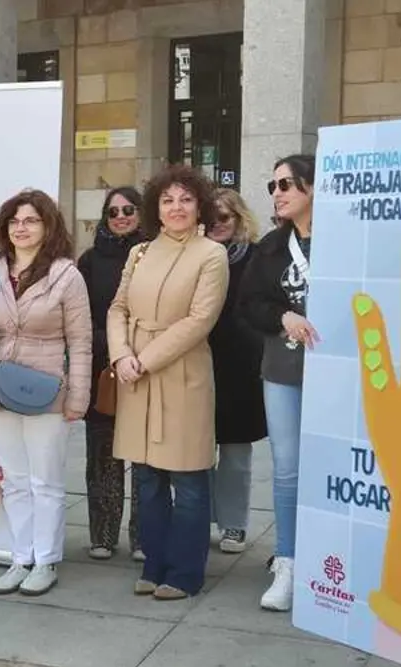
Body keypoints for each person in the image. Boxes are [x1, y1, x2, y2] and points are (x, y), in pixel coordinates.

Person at [0, 189, 93, 597]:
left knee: (47, 481)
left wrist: (78, 397)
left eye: (31, 220)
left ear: (48, 226)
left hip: (47, 390)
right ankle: (21, 557)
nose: (22, 228)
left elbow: (82, 341)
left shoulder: (66, 275)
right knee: (15, 480)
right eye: (15, 221)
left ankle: (46, 559)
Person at [108, 165, 228, 601]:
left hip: (181, 374)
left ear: (199, 206)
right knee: (146, 477)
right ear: (155, 207)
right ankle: (153, 562)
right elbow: (118, 307)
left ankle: (185, 571)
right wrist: (122, 354)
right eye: (167, 200)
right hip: (135, 373)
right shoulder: (139, 253)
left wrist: (145, 360)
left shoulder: (211, 255)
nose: (176, 208)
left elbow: (200, 320)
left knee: (190, 479)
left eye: (186, 200)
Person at [238, 154, 317, 612]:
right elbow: (248, 304)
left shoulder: (348, 238)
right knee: (287, 469)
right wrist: (281, 315)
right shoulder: (270, 247)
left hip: (341, 375)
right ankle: (287, 559)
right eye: (272, 186)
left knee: (332, 466)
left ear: (313, 186)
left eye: (287, 183)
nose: (278, 192)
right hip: (284, 372)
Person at [77, 186, 145, 562]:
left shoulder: (155, 253)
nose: (121, 216)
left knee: (147, 460)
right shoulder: (89, 260)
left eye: (128, 209)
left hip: (149, 364)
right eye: (113, 211)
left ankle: (144, 537)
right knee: (102, 455)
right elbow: (79, 314)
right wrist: (112, 344)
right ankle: (102, 535)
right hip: (104, 367)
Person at [207, 188, 267, 555]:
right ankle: (198, 518)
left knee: (235, 453)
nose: (218, 225)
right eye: (211, 219)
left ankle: (233, 524)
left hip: (241, 366)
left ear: (239, 218)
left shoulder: (256, 257)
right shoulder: (192, 254)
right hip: (197, 360)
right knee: (195, 452)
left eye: (225, 218)